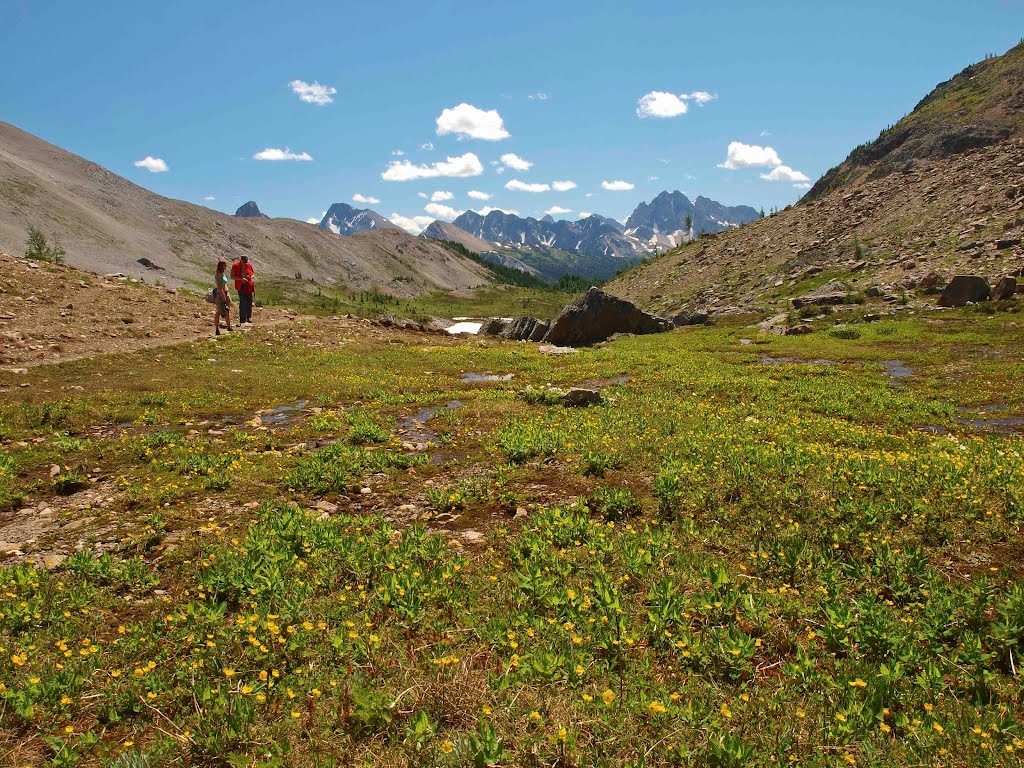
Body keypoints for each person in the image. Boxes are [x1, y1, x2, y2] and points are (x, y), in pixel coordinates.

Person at [232, 254, 255, 324]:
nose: (245, 263)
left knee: (249, 301)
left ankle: (249, 317)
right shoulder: (236, 266)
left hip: (248, 286)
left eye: (246, 262)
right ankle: (242, 319)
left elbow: (253, 274)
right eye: (244, 262)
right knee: (243, 302)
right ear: (241, 260)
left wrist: (250, 277)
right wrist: (241, 279)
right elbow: (232, 276)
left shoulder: (249, 265)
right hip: (241, 286)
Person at [214, 257, 232, 336]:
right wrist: (223, 297)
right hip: (221, 294)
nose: (226, 266)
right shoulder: (218, 274)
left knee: (227, 310)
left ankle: (228, 326)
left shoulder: (223, 273)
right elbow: (219, 287)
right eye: (225, 265)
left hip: (226, 292)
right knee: (218, 311)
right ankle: (217, 328)